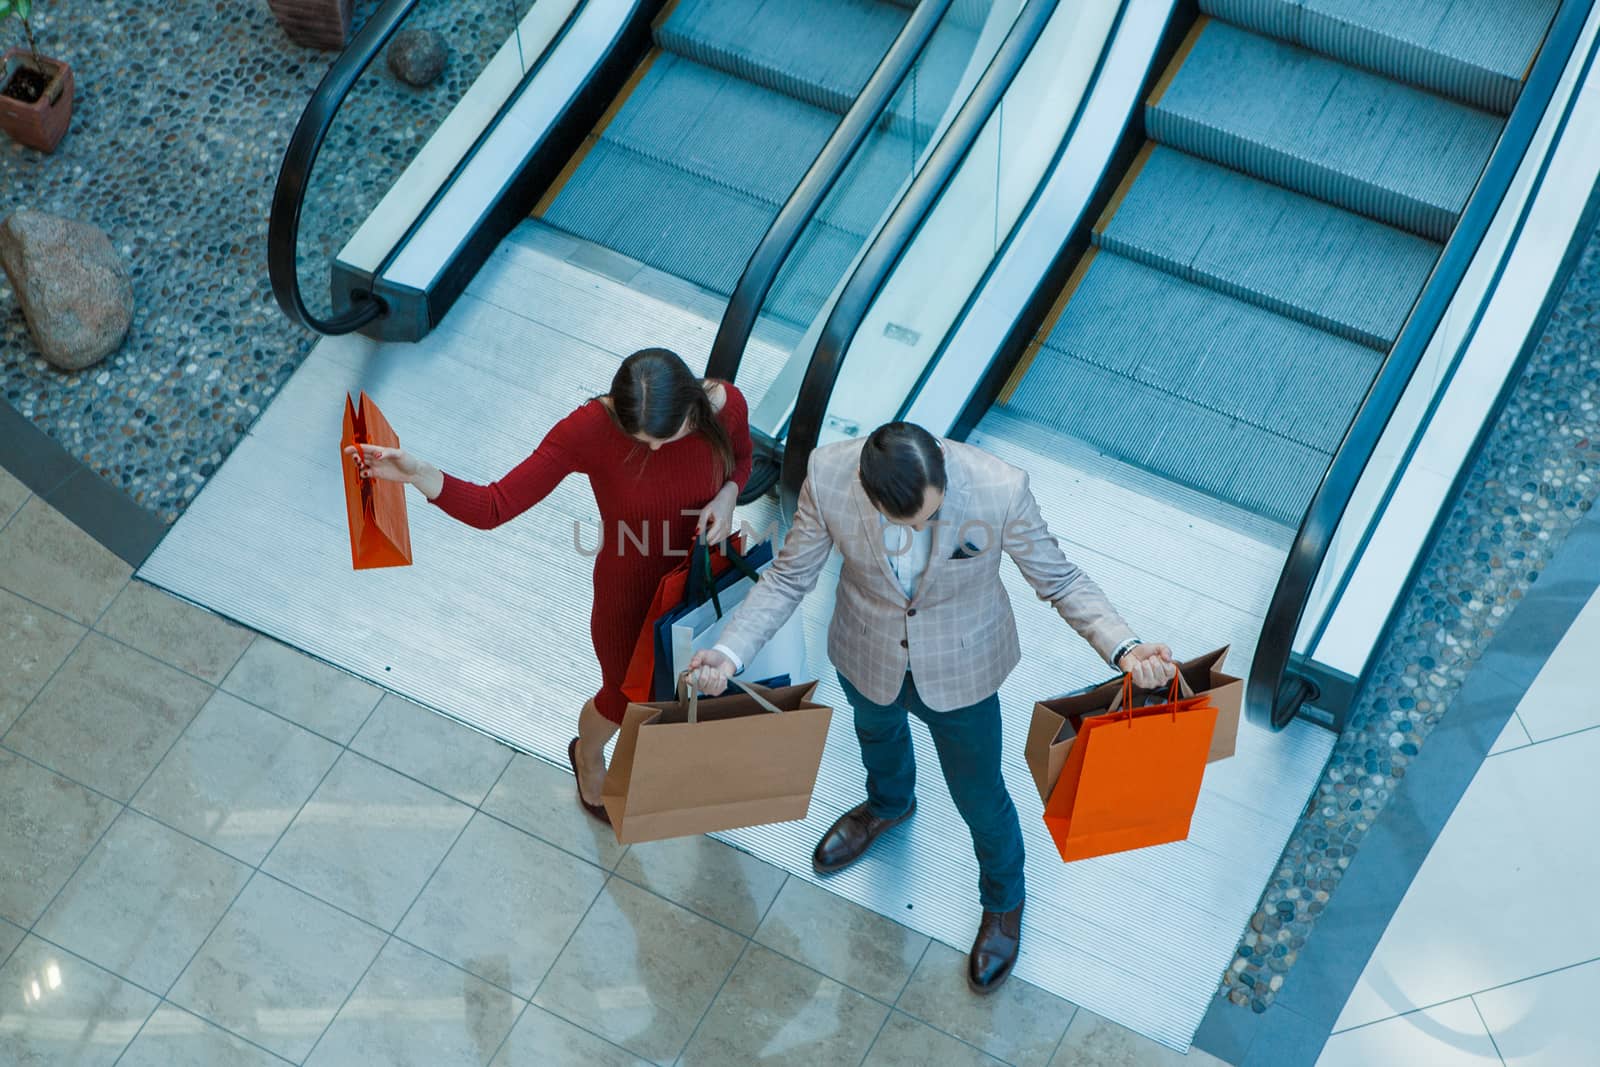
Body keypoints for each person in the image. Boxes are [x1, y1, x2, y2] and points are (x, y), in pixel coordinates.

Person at [688, 421, 1173, 994]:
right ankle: (889, 806)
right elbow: (792, 576)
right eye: (906, 521)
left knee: (980, 794)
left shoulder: (999, 487)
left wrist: (1124, 645)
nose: (920, 528)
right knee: (877, 737)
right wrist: (726, 653)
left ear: (943, 469)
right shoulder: (829, 472)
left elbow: (1059, 579)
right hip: (866, 650)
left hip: (962, 671)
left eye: (929, 515)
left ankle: (1003, 901)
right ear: (869, 494)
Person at [347, 348, 752, 821]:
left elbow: (742, 461)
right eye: (643, 440)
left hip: (701, 581)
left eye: (671, 435)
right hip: (631, 596)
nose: (658, 450)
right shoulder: (589, 431)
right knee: (622, 701)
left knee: (691, 684)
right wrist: (417, 473)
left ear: (692, 406)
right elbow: (494, 506)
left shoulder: (726, 406)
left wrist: (727, 495)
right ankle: (586, 754)